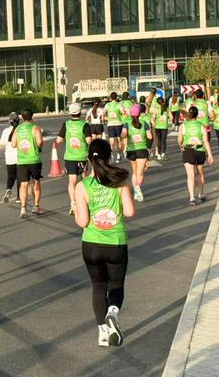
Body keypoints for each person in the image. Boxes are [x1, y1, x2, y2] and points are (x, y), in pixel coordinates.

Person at [74, 139, 135, 347]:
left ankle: (102, 332)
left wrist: (76, 209)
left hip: (91, 244)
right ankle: (113, 312)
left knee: (98, 286)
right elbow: (129, 211)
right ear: (109, 156)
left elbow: (83, 221)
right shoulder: (120, 179)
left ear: (88, 159)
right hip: (116, 242)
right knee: (116, 285)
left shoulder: (81, 186)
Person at [57, 103, 92, 216]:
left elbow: (58, 140)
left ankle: (73, 203)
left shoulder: (66, 124)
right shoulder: (84, 125)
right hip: (82, 156)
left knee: (71, 181)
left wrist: (67, 138)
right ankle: (86, 201)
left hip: (70, 157)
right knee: (84, 178)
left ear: (70, 113)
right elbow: (89, 141)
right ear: (80, 112)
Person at [178, 106, 214, 206]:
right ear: (197, 115)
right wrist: (210, 154)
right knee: (200, 173)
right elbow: (206, 141)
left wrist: (181, 147)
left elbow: (179, 140)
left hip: (188, 150)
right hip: (199, 150)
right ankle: (201, 194)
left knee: (190, 175)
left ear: (189, 114)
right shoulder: (202, 126)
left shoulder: (183, 126)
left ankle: (192, 198)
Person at [12, 108, 44, 217]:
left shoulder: (18, 129)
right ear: (32, 116)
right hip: (34, 160)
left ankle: (23, 208)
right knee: (36, 182)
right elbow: (39, 142)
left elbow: (13, 144)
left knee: (23, 184)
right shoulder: (35, 128)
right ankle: (36, 206)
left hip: (22, 161)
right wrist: (37, 145)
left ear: (22, 117)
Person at [121, 104, 152, 202]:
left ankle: (135, 190)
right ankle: (138, 187)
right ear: (139, 114)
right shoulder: (144, 123)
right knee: (140, 172)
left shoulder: (127, 123)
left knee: (134, 171)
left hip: (131, 150)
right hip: (142, 149)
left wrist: (127, 136)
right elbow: (150, 136)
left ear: (131, 114)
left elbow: (123, 135)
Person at [0, 112, 21, 205]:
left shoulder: (5, 131)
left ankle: (8, 189)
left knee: (10, 177)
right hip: (20, 158)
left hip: (9, 158)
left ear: (9, 121)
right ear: (19, 121)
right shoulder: (21, 130)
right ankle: (19, 197)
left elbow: (2, 145)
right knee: (20, 178)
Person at [105, 92, 124, 163]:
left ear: (110, 98)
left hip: (110, 124)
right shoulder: (119, 105)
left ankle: (112, 155)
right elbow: (123, 112)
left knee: (112, 142)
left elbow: (103, 113)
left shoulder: (107, 105)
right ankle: (118, 155)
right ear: (117, 97)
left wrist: (106, 118)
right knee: (118, 140)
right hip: (118, 124)